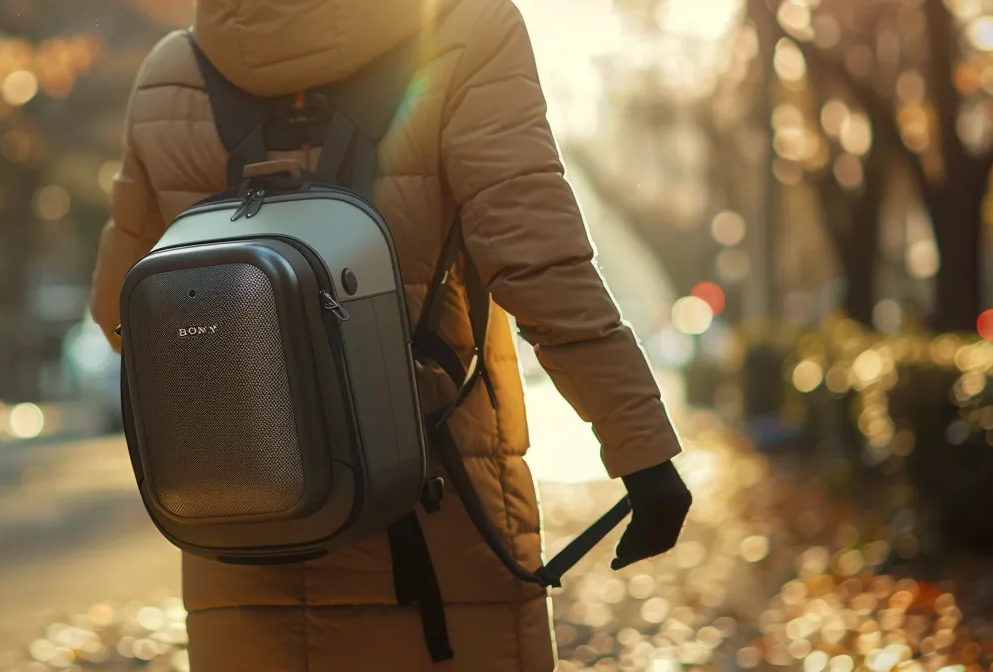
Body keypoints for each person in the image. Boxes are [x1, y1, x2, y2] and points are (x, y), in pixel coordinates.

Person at [89, 1, 693, 669]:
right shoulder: (466, 33)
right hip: (437, 526)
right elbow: (539, 265)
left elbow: (119, 316)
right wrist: (642, 452)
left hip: (246, 535)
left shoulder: (171, 74)